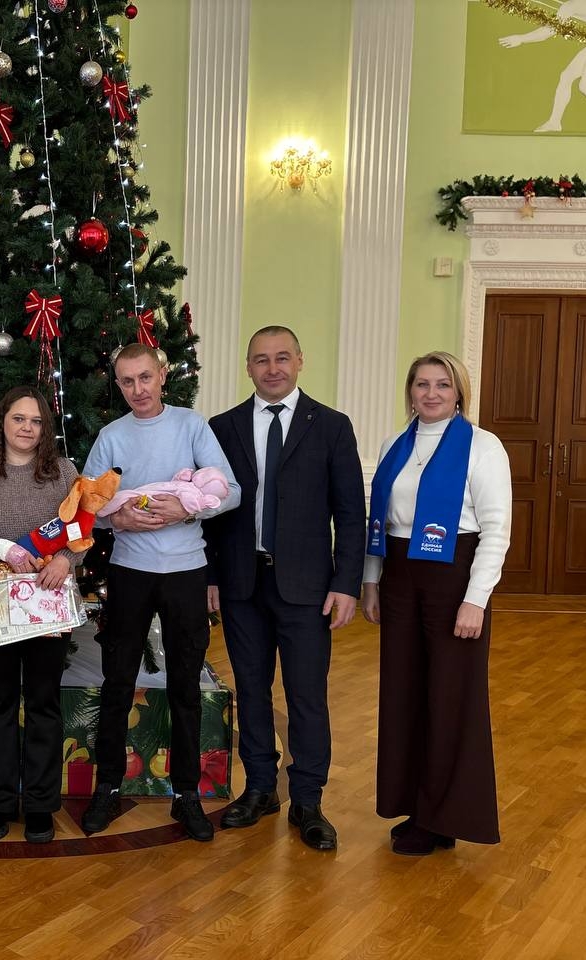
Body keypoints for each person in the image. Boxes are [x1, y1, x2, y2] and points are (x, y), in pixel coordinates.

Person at [203, 326, 365, 852]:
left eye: (281, 358)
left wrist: (346, 583)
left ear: (300, 361)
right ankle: (259, 789)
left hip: (308, 588)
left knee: (306, 696)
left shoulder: (332, 426)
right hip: (241, 583)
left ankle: (309, 801)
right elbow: (209, 510)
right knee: (251, 690)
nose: (272, 368)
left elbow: (350, 513)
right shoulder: (222, 427)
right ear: (247, 367)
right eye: (261, 359)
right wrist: (210, 576)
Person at [80, 344, 240, 841]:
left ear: (163, 375)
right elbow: (86, 504)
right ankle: (108, 786)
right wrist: (116, 520)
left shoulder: (192, 426)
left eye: (145, 377)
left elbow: (230, 490)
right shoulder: (111, 435)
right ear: (118, 384)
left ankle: (186, 793)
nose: (138, 389)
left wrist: (188, 509)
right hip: (129, 573)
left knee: (186, 684)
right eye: (127, 381)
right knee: (117, 681)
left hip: (186, 572)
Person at [362, 351, 511, 856]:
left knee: (450, 696)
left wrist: (476, 600)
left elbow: (496, 530)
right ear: (410, 391)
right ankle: (414, 805)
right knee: (404, 692)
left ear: (459, 391)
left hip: (454, 578)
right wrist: (372, 581)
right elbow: (381, 521)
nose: (431, 393)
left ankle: (444, 817)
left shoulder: (483, 447)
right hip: (401, 576)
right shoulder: (395, 444)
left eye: (442, 384)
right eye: (422, 384)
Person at [0, 386, 79, 844]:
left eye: (36, 421)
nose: (27, 428)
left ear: (46, 428)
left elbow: (79, 527)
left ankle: (41, 805)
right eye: (18, 419)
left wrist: (66, 559)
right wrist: (2, 562)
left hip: (48, 607)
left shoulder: (64, 473)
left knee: (44, 704)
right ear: (2, 422)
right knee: (0, 705)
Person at [499, 0, 586, 135]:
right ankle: (554, 122)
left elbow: (548, 31)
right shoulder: (574, 5)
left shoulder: (574, 6)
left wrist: (521, 39)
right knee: (566, 76)